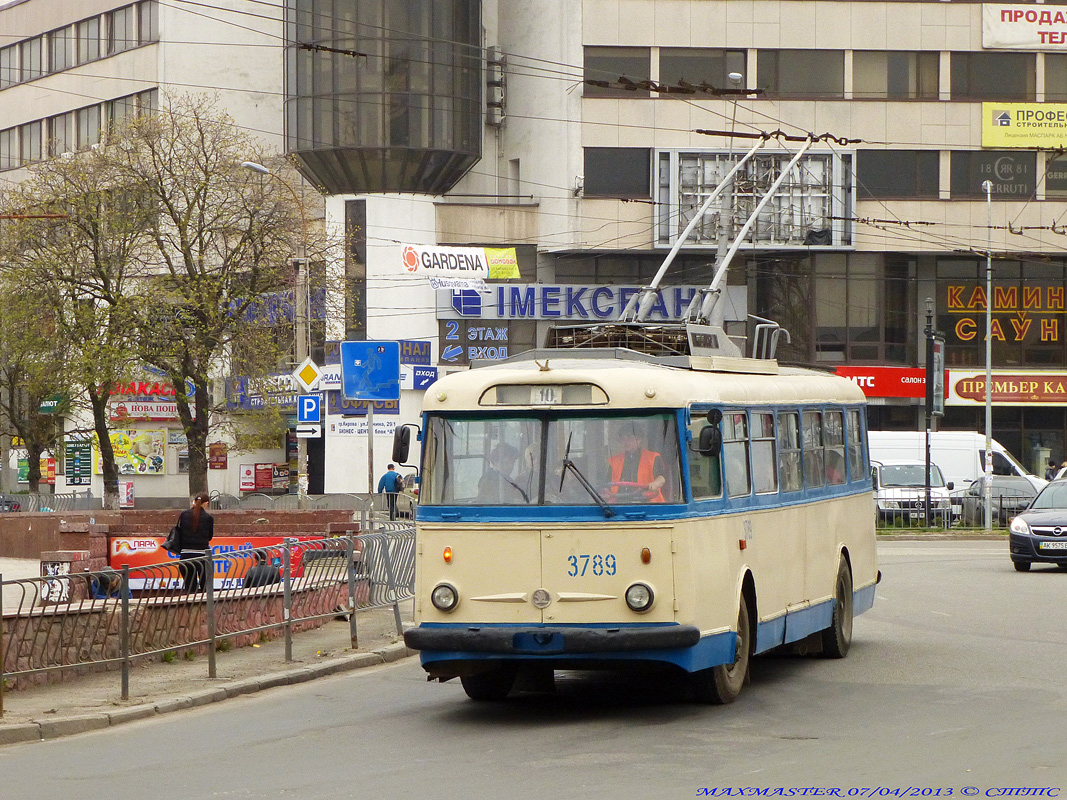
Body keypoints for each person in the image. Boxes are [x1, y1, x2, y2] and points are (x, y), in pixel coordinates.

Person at [608, 431, 667, 502]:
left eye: (630, 438)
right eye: (623, 439)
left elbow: (662, 477)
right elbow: (607, 484)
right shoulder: (614, 461)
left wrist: (654, 484)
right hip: (618, 504)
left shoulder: (653, 457)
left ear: (639, 439)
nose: (626, 441)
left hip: (648, 503)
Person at [176, 493, 214, 592]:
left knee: (190, 589)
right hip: (202, 556)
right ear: (206, 503)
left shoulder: (184, 514)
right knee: (206, 589)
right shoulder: (208, 518)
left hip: (185, 556)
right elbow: (209, 537)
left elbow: (180, 532)